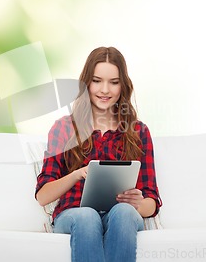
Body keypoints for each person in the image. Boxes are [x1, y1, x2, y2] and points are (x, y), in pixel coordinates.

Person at [35, 47, 161, 262]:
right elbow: (43, 196)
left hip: (121, 216)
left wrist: (138, 203)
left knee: (124, 212)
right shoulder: (64, 128)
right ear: (86, 83)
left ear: (123, 85)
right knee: (87, 216)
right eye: (97, 81)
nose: (105, 90)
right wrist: (77, 174)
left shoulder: (138, 131)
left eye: (114, 82)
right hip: (75, 215)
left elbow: (152, 203)